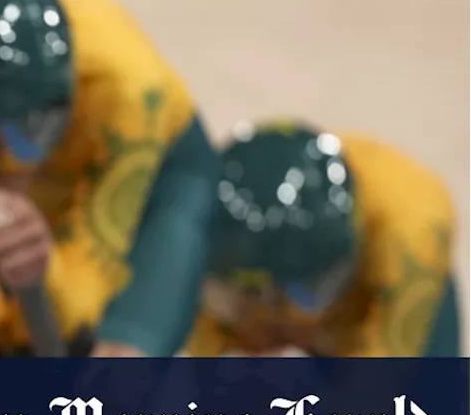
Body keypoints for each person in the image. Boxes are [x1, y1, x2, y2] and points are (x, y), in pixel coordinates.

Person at [0, 0, 220, 358]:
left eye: (22, 138)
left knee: (118, 368)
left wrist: (44, 273)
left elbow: (79, 307)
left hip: (153, 170)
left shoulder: (129, 93)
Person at [185, 120, 462, 357]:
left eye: (312, 288)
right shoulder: (200, 226)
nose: (287, 317)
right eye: (241, 298)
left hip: (369, 299)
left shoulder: (414, 231)